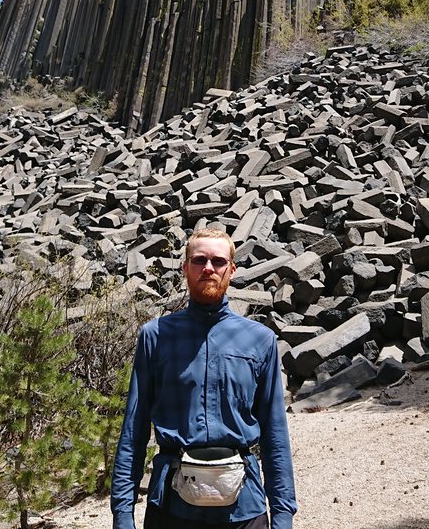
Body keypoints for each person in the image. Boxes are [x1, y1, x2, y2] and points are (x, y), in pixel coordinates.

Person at [111, 227, 297, 529]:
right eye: (199, 260)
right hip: (172, 507)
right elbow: (134, 430)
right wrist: (122, 514)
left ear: (232, 270)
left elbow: (275, 434)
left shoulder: (259, 340)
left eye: (218, 261)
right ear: (185, 268)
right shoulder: (155, 337)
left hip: (243, 508)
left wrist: (283, 515)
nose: (208, 268)